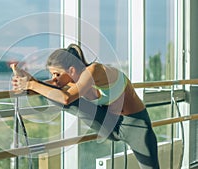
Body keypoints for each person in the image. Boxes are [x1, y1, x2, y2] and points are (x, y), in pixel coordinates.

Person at [11, 44, 160, 169]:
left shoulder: (94, 71)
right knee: (56, 94)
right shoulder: (72, 80)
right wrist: (27, 81)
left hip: (136, 125)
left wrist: (31, 84)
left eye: (57, 74)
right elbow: (46, 87)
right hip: (108, 122)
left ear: (72, 70)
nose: (54, 79)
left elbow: (66, 98)